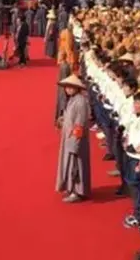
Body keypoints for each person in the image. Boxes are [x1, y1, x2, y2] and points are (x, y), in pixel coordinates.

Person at [56, 74, 91, 203]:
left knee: (76, 165)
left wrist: (75, 142)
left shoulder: (80, 102)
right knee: (70, 164)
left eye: (71, 87)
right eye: (67, 87)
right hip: (69, 136)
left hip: (76, 138)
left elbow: (80, 124)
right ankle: (71, 187)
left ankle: (77, 190)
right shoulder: (72, 99)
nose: (68, 89)